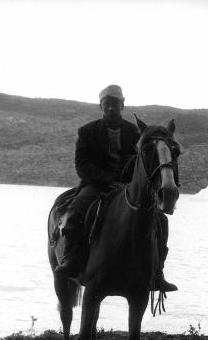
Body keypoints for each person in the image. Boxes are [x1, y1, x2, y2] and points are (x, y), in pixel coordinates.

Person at [55, 84, 177, 292]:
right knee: (77, 211)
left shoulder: (134, 132)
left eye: (115, 104)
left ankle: (157, 272)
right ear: (101, 106)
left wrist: (127, 182)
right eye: (106, 104)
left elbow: (140, 163)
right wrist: (105, 179)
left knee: (160, 220)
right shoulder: (87, 131)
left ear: (122, 105)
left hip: (126, 187)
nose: (111, 108)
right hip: (95, 185)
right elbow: (82, 164)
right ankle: (71, 260)